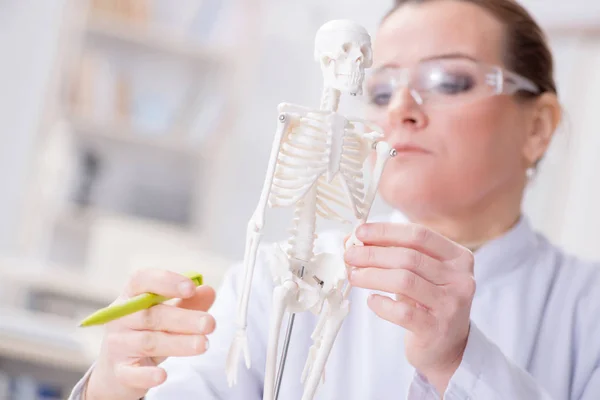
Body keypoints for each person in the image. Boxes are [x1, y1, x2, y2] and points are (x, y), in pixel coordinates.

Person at [70, 0, 600, 399]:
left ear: (538, 126)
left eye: (448, 80)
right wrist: (114, 387)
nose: (402, 111)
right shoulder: (279, 277)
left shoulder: (586, 310)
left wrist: (462, 361)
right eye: (382, 90)